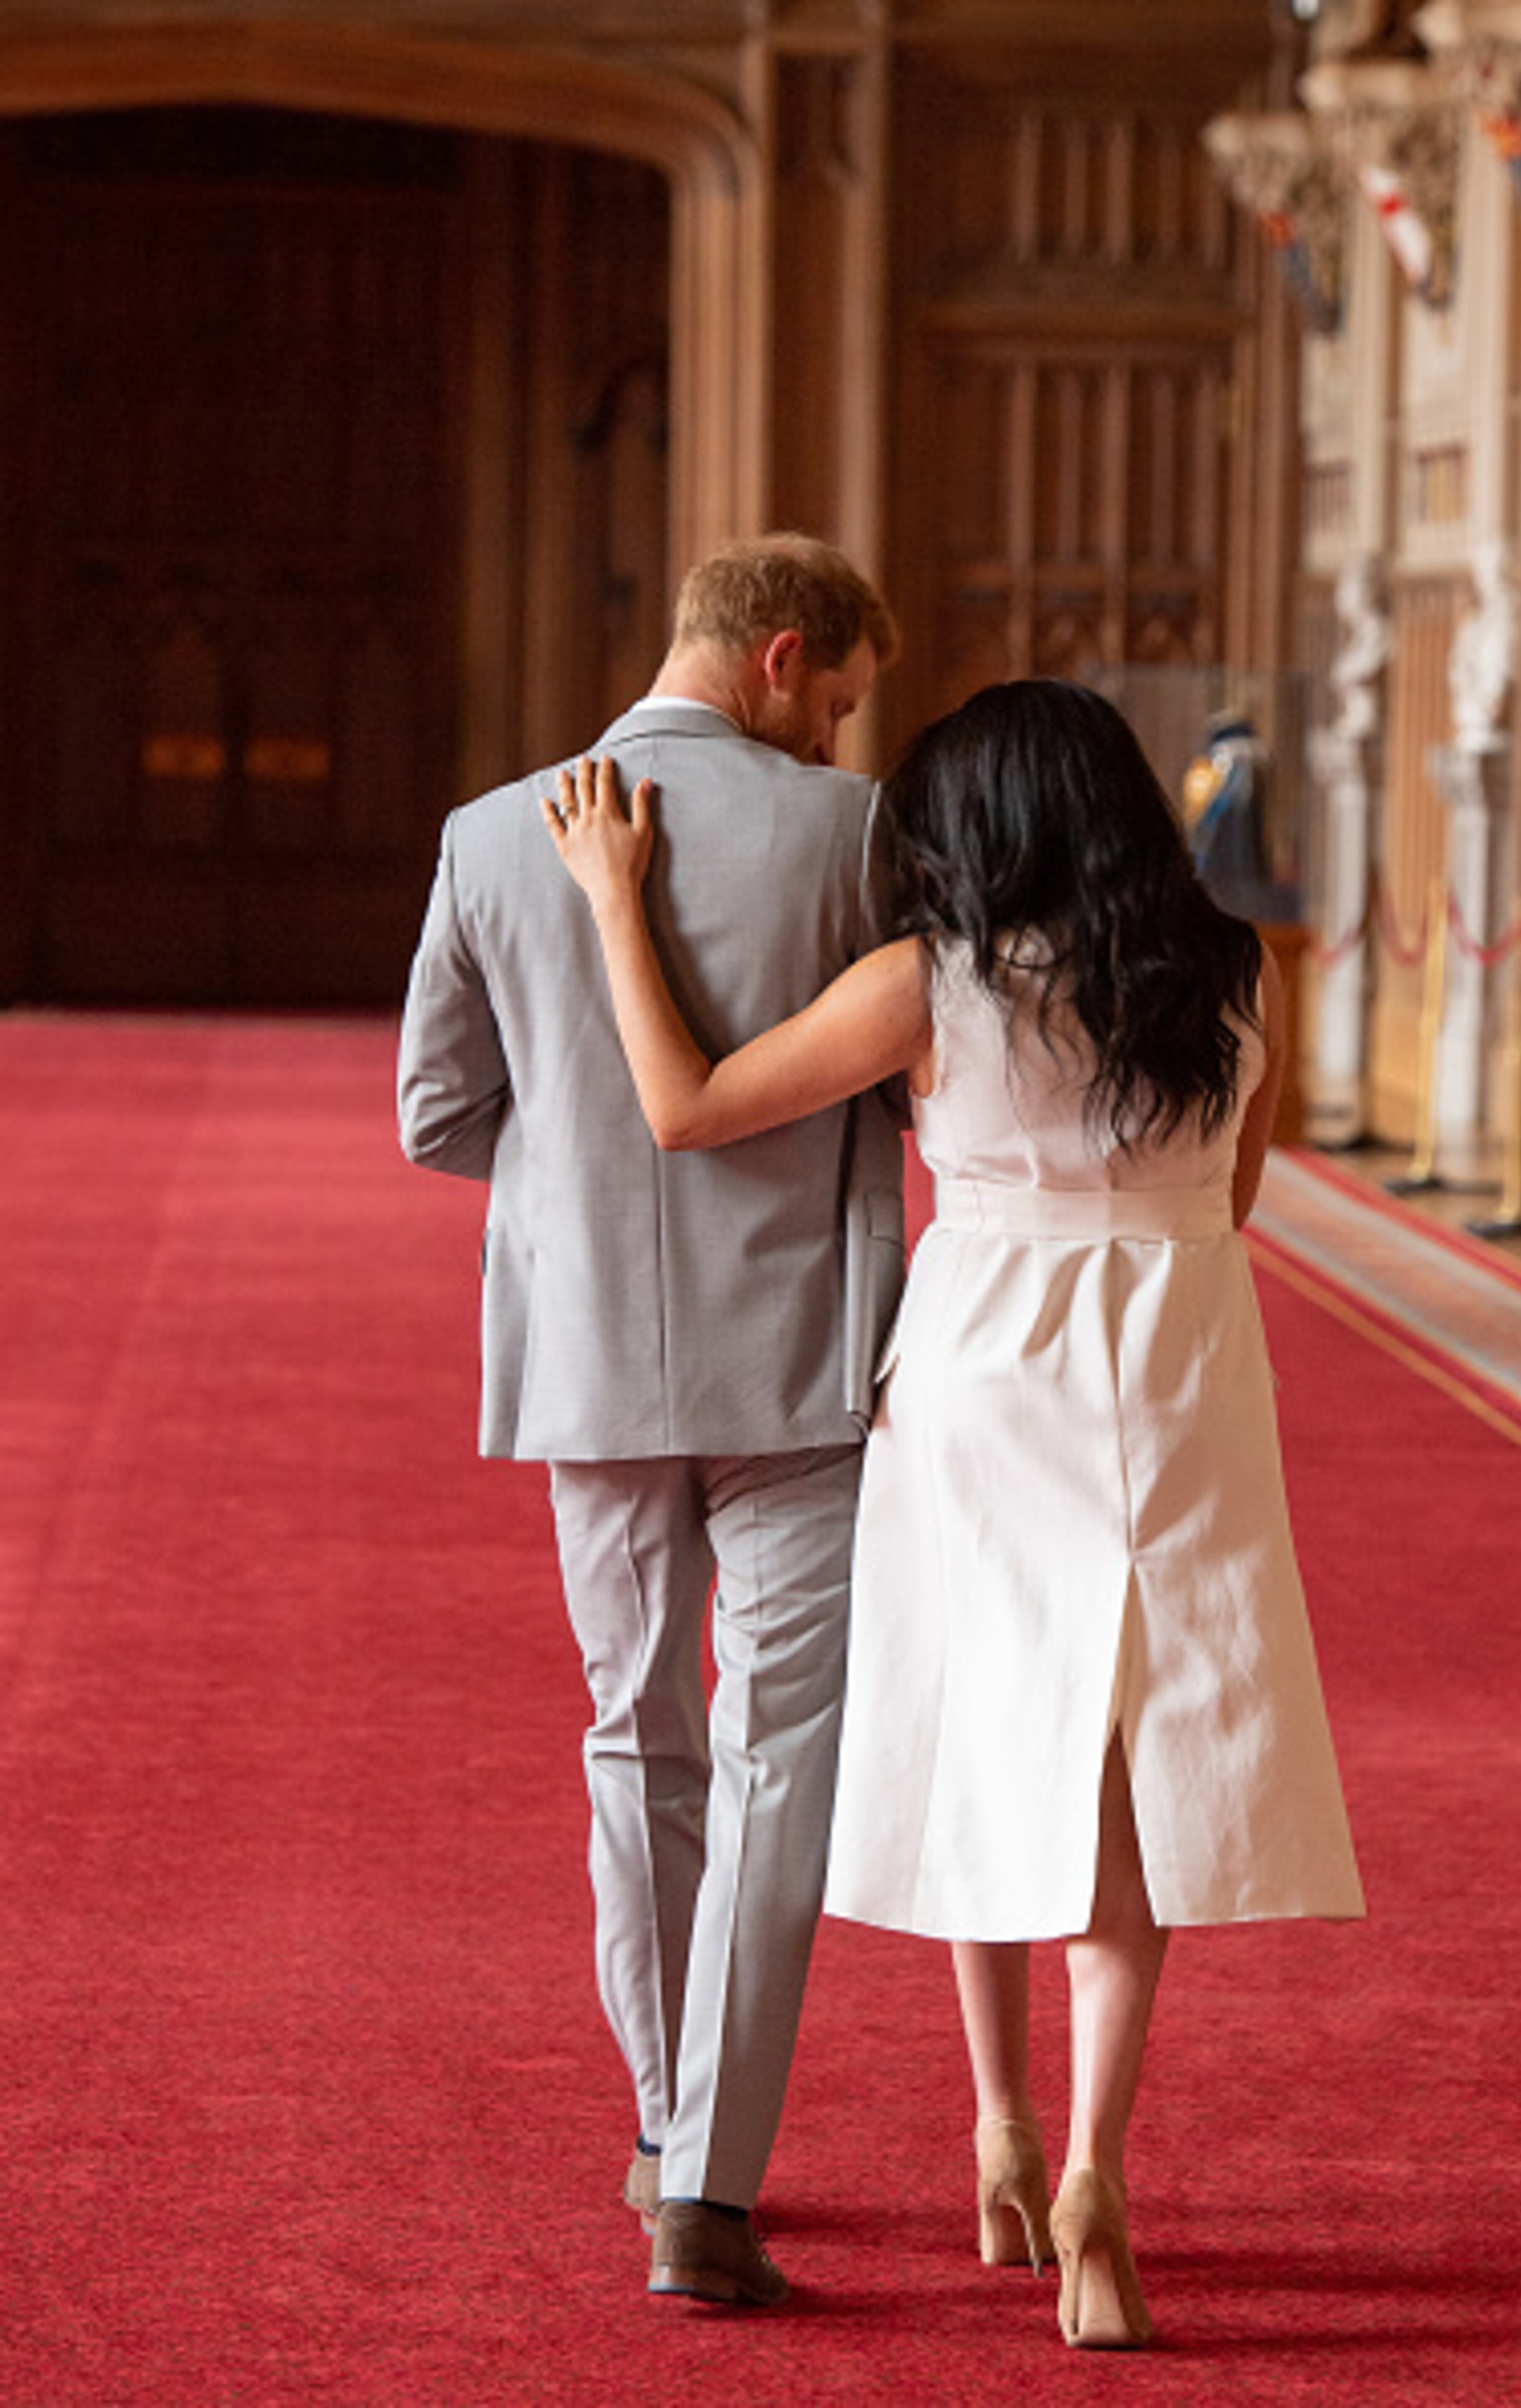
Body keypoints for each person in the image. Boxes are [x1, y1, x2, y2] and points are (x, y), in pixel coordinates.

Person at [545, 677, 1366, 2350]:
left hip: (988, 1366)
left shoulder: (935, 982)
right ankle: (1088, 2174)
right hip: (1179, 1366)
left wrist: (619, 904)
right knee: (1133, 1777)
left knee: (995, 1741)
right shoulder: (1230, 974)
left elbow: (688, 1105)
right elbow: (1238, 1202)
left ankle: (994, 2126)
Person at [397, 533, 906, 2308]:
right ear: (781, 659)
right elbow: (921, 1079)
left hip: (589, 1358)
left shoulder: (487, 835)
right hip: (806, 1363)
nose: (846, 736)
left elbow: (434, 1116)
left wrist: (575, 1182)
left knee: (636, 1733)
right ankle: (710, 2179)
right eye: (839, 699)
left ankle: (655, 2110)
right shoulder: (855, 841)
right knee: (778, 1765)